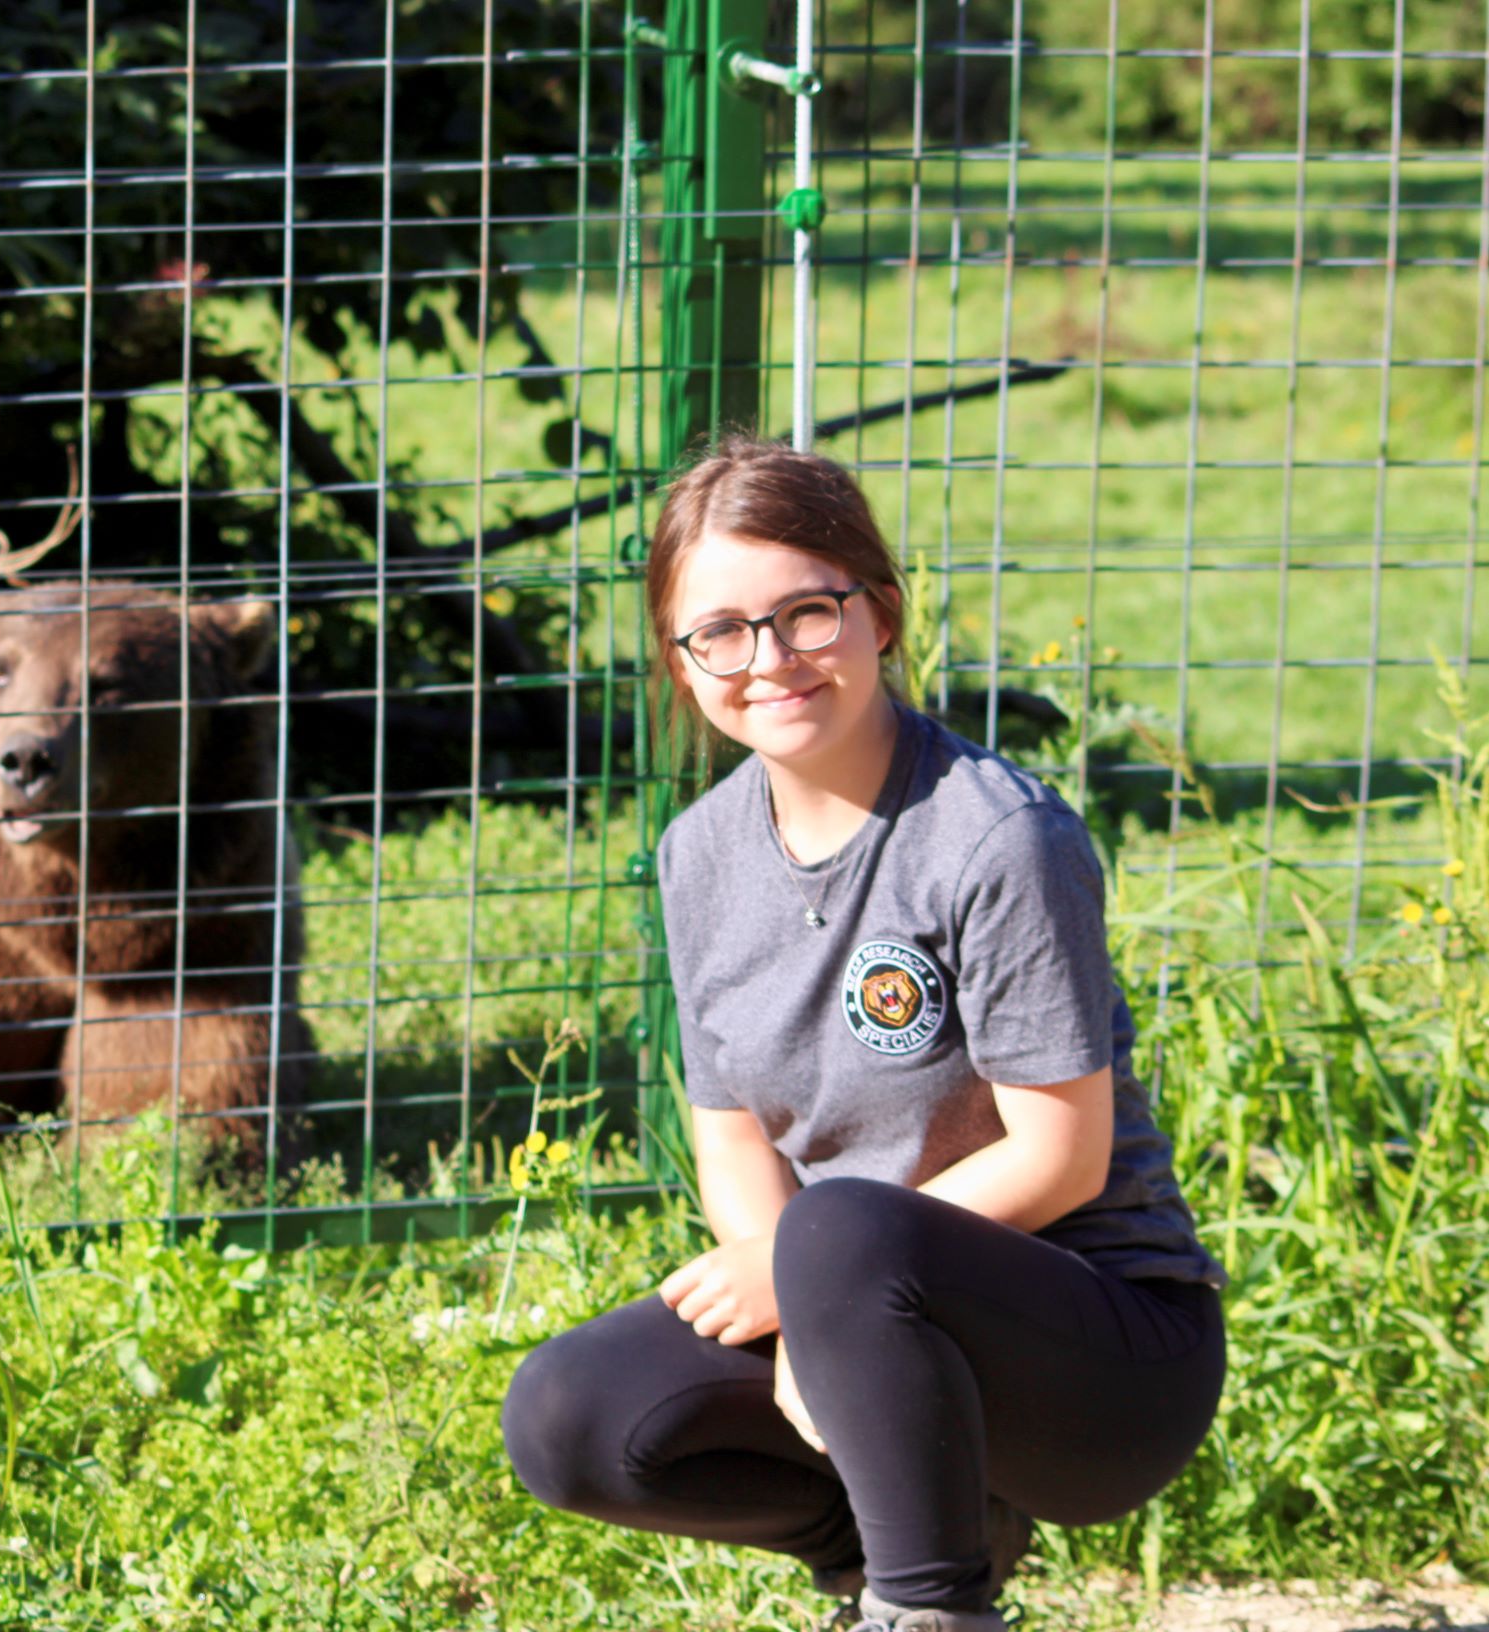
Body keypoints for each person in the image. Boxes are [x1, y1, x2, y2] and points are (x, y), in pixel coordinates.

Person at [500, 435, 1227, 1632]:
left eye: (806, 613)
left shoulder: (997, 837)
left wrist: (810, 1279)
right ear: (683, 668)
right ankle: (912, 1541)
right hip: (859, 1300)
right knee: (571, 1413)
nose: (768, 660)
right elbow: (729, 1132)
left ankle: (928, 1611)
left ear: (879, 615)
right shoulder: (699, 855)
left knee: (836, 1227)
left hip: (1104, 1353)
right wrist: (811, 1307)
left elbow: (1063, 1158)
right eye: (720, 632)